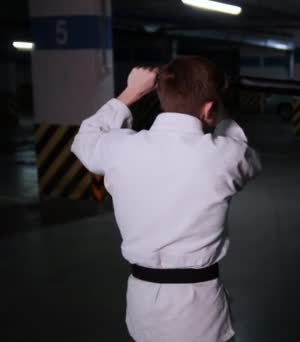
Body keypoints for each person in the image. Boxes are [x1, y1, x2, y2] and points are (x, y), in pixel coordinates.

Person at [71, 56, 262, 342]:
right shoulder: (224, 156)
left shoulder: (120, 148)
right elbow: (245, 154)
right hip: (199, 310)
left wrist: (131, 91)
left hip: (142, 303)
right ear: (208, 107)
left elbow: (84, 140)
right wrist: (220, 112)